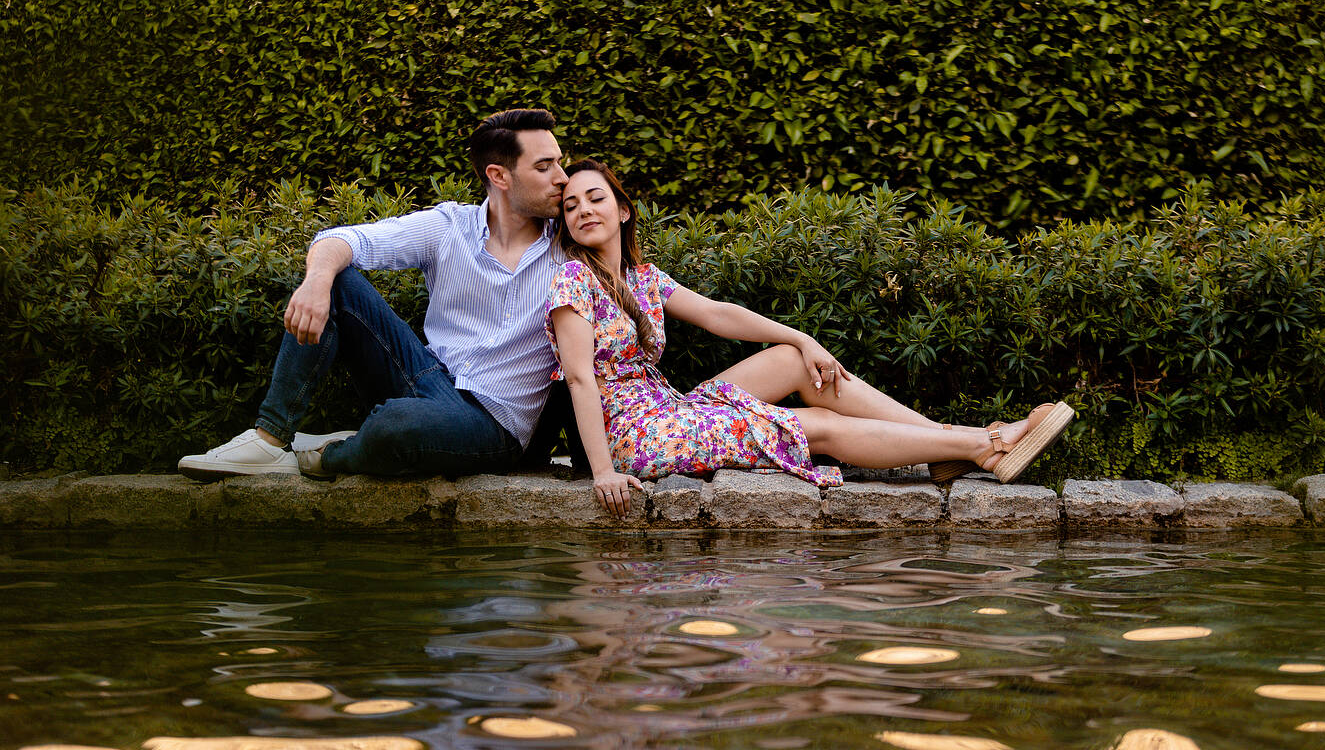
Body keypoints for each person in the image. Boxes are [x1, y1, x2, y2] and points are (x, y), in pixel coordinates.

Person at [546, 160, 1075, 517]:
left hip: (667, 410)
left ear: (623, 210)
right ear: (566, 224)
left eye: (595, 198)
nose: (583, 210)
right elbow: (578, 379)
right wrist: (603, 472)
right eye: (570, 206)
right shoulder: (572, 280)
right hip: (634, 436)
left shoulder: (641, 278)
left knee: (794, 361)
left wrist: (802, 338)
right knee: (814, 424)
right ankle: (985, 445)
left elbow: (718, 314)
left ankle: (945, 444)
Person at [178, 107, 571, 481]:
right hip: (428, 380)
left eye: (559, 162)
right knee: (338, 280)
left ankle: (327, 456)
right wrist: (316, 282)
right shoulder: (449, 226)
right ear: (499, 176)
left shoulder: (571, 249)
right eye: (544, 166)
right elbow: (343, 239)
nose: (562, 177)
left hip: (494, 424)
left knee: (396, 424)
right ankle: (269, 440)